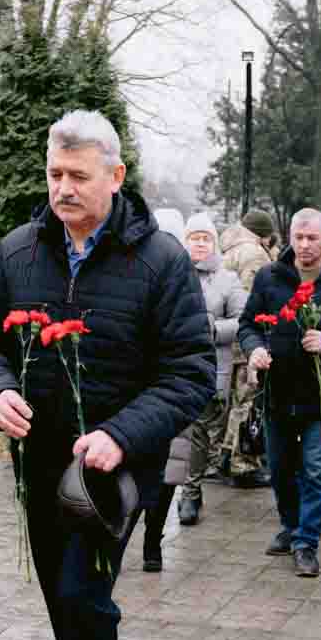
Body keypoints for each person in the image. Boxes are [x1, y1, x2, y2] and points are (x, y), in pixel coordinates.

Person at [0, 111, 213, 640]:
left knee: (82, 593)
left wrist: (123, 434)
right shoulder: (19, 251)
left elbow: (191, 372)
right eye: (55, 174)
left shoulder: (160, 260)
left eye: (78, 175)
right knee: (62, 598)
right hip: (40, 459)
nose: (63, 188)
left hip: (120, 464)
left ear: (115, 176)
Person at [238, 208, 321, 579]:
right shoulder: (270, 277)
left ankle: (306, 541)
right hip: (278, 392)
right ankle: (291, 526)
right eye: (298, 237)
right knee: (280, 469)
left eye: (313, 238)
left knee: (317, 469)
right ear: (289, 237)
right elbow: (249, 324)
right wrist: (255, 349)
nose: (305, 245)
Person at [177, 212, 246, 528]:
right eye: (195, 238)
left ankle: (189, 492)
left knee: (198, 432)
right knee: (177, 432)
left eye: (206, 238)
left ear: (214, 243)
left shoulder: (227, 279)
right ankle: (176, 488)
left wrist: (212, 329)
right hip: (172, 364)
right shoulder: (173, 274)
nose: (200, 244)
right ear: (185, 241)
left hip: (210, 366)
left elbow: (243, 320)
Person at [140, 208, 197, 570]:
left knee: (169, 473)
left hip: (173, 389)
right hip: (134, 389)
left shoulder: (184, 276)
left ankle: (152, 541)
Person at [219, 209, 278, 489]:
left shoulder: (228, 247)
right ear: (264, 235)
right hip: (247, 341)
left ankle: (226, 455)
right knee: (247, 401)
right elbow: (253, 300)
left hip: (228, 337)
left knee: (235, 400)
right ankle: (243, 464)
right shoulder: (254, 254)